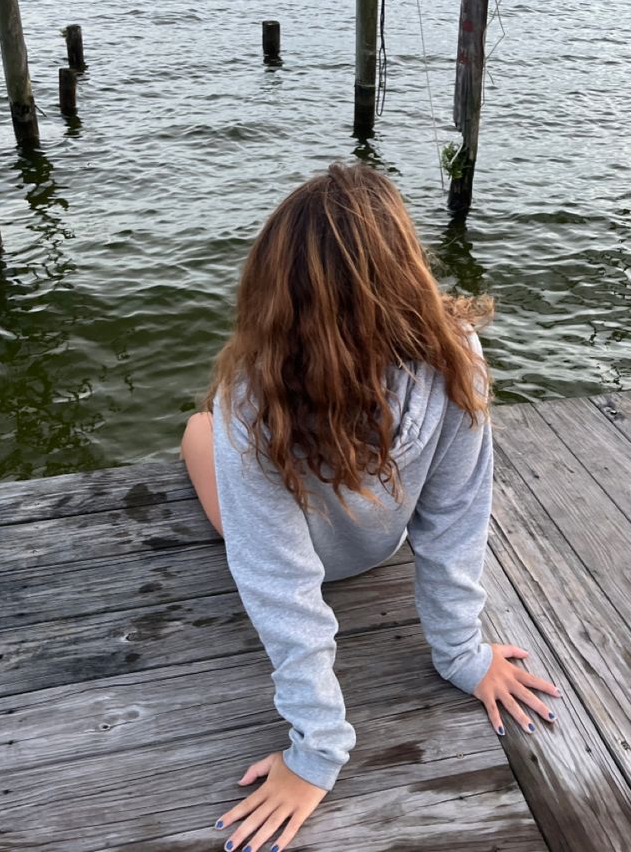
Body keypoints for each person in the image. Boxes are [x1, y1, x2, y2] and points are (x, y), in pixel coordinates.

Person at [181, 163, 560, 852]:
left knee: (199, 430)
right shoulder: (457, 354)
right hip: (382, 542)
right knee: (220, 429)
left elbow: (280, 583)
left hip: (304, 536)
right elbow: (454, 520)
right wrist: (463, 653)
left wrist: (316, 751)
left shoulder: (248, 398)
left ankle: (193, 427)